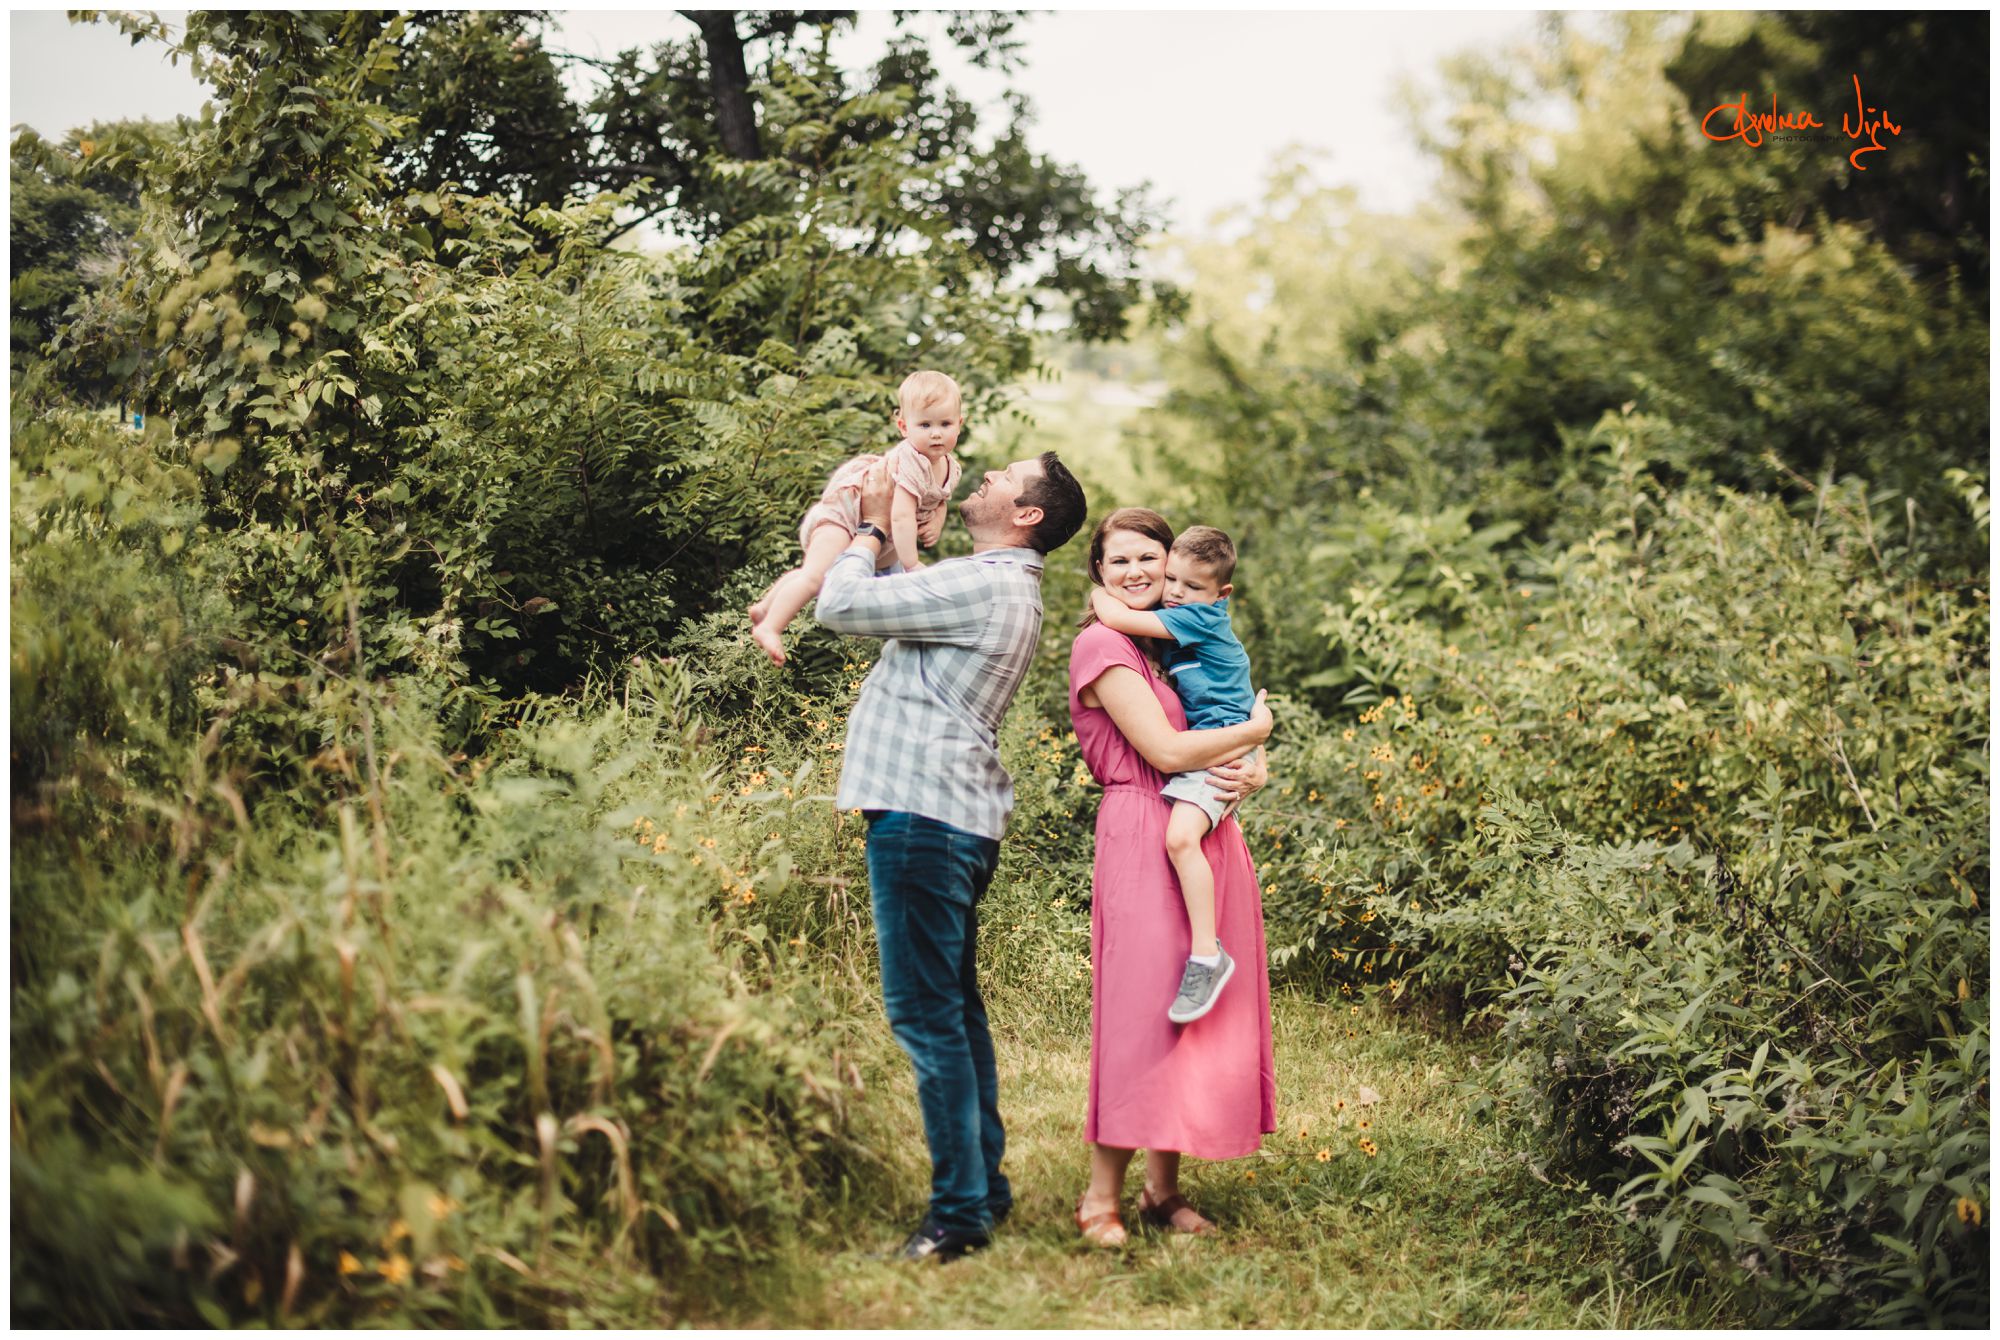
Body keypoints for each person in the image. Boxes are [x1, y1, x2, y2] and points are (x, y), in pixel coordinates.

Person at [816, 447, 1089, 1262]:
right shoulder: (996, 583)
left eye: (1002, 477)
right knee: (957, 1014)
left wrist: (866, 525)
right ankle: (985, 1188)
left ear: (1028, 513)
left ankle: (959, 1214)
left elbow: (839, 605)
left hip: (923, 818)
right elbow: (904, 589)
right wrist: (900, 535)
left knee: (926, 1018)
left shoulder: (987, 582)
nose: (983, 480)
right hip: (951, 820)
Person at [1067, 507, 1276, 1247]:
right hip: (1142, 832)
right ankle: (1100, 1199)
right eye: (1118, 562)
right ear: (1099, 573)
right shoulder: (1105, 647)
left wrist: (1251, 768)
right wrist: (1252, 733)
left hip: (1203, 825)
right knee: (1139, 1015)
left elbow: (1210, 728)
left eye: (1147, 560)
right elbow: (1164, 750)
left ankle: (1163, 1189)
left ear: (1171, 567)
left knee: (1186, 1017)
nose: (1135, 573)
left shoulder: (1168, 645)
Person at [1087, 524, 1255, 1023]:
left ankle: (1207, 954)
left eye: (1188, 585)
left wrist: (1100, 587)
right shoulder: (1170, 624)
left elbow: (1114, 612)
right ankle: (1206, 953)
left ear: (1220, 594)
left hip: (1218, 756)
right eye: (1175, 582)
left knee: (1182, 839)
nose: (1177, 594)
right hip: (1211, 755)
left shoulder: (1199, 619)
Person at [750, 369, 966, 664]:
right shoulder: (912, 461)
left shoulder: (950, 467)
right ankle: (770, 628)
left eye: (945, 423)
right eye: (925, 424)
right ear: (904, 427)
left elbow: (940, 499)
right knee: (815, 577)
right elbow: (901, 517)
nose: (936, 433)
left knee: (821, 576)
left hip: (867, 526)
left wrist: (938, 518)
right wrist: (911, 563)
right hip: (844, 514)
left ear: (960, 424)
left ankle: (766, 607)